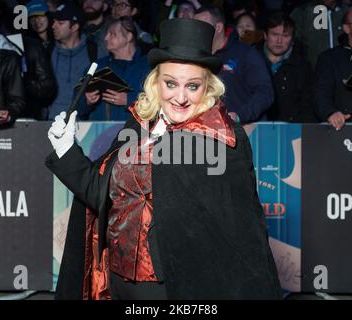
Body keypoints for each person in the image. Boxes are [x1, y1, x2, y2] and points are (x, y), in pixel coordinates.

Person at [45, 18, 282, 300]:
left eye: (192, 86)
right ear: (156, 83)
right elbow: (101, 193)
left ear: (208, 87)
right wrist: (65, 150)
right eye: (171, 83)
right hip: (115, 282)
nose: (180, 97)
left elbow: (240, 238)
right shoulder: (139, 123)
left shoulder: (223, 140)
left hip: (175, 290)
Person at [194, 6, 274, 123]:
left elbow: (265, 93)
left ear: (218, 27)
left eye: (200, 26)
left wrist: (239, 116)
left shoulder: (245, 54)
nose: (195, 30)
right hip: (204, 131)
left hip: (242, 131)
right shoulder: (194, 56)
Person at [79, 16, 150, 121]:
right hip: (100, 134)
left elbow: (159, 105)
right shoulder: (96, 67)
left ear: (129, 37)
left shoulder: (147, 67)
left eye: (112, 34)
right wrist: (87, 101)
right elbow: (76, 109)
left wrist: (130, 101)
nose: (106, 38)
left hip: (135, 134)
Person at [258, 11, 316, 122]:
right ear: (265, 35)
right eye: (274, 34)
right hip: (256, 129)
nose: (279, 41)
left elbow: (308, 106)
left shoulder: (303, 67)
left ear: (292, 39)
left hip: (291, 131)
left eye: (285, 36)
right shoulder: (250, 60)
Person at [46, 1, 91, 120]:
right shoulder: (48, 50)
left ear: (75, 27)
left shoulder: (94, 51)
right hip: (50, 122)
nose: (53, 26)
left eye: (60, 23)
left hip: (83, 124)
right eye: (54, 21)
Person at [290, 0, 346, 67]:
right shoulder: (302, 12)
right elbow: (292, 45)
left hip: (343, 70)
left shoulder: (348, 11)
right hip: (311, 72)